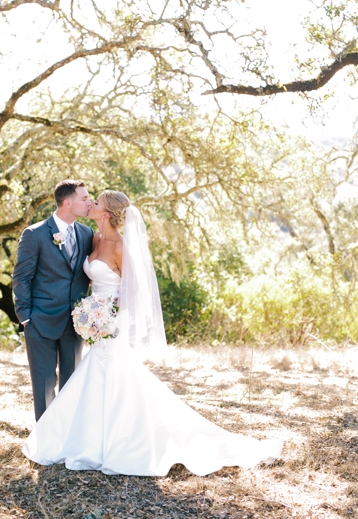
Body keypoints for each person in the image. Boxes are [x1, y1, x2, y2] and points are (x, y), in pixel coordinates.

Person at [21, 190, 283, 476]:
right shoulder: (93, 238)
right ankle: (82, 439)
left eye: (96, 202)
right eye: (89, 200)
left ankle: (120, 441)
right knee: (95, 378)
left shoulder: (121, 246)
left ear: (106, 213)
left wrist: (107, 316)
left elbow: (133, 289)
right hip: (95, 321)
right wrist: (91, 313)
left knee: (116, 376)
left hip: (112, 323)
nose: (91, 204)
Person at [13, 180, 94, 421]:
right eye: (84, 198)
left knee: (71, 385)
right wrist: (26, 317)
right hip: (40, 322)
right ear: (67, 202)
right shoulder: (34, 234)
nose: (89, 202)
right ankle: (45, 438)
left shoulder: (86, 233)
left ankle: (67, 435)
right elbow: (21, 277)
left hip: (75, 323)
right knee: (44, 387)